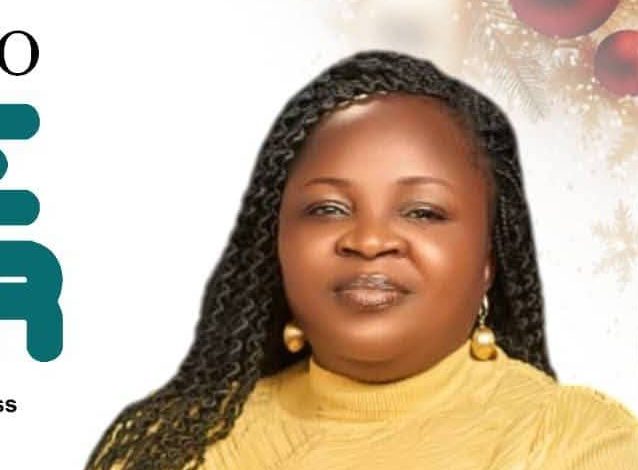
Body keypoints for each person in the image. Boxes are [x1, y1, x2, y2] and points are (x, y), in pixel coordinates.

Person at [85, 50, 638, 470]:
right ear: (276, 245)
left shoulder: (577, 443)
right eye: (327, 208)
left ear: (489, 259)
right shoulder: (172, 445)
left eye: (422, 212)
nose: (369, 240)